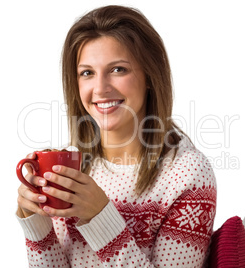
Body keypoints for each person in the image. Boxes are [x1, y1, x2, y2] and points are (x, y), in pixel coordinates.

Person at [16, 5, 217, 267]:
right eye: (87, 73)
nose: (100, 88)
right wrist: (37, 224)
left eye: (118, 69)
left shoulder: (188, 174)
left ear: (149, 76)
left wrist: (100, 217)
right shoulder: (73, 164)